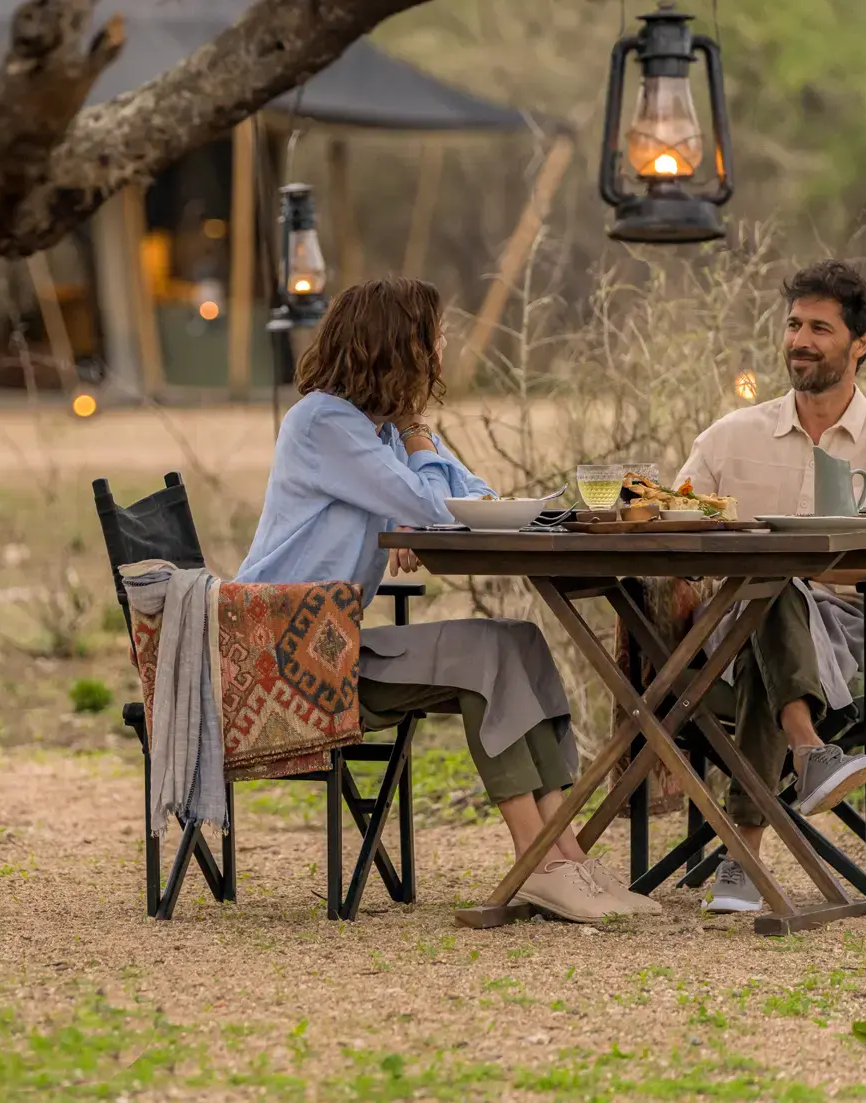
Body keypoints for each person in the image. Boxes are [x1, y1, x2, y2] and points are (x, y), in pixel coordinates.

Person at [240, 276, 659, 922]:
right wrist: (420, 463)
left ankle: (567, 856)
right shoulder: (325, 423)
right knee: (482, 655)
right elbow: (438, 507)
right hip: (282, 661)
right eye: (434, 337)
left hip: (328, 647)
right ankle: (538, 863)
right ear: (398, 346)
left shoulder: (376, 433)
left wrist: (417, 455)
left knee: (516, 639)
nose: (443, 349)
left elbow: (476, 500)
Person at [672, 259, 866, 914]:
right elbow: (668, 517)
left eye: (820, 327)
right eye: (794, 324)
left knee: (771, 587)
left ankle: (743, 852)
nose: (800, 340)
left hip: (854, 636)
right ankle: (806, 750)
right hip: (727, 643)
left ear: (861, 343)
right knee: (766, 597)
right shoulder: (732, 435)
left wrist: (797, 568)